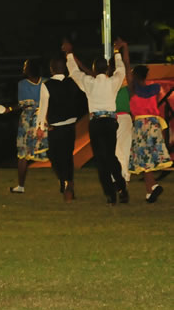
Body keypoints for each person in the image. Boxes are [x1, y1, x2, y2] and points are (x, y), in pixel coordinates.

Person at [64, 39, 128, 205]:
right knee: (111, 156)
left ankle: (110, 194)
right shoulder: (113, 82)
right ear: (107, 69)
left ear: (93, 70)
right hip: (110, 122)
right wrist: (116, 53)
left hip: (96, 123)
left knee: (101, 159)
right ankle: (122, 188)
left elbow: (74, 72)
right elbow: (121, 70)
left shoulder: (89, 83)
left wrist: (69, 54)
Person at [35, 57, 88, 202]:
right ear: (64, 68)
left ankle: (65, 181)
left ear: (51, 69)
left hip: (55, 127)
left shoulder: (47, 85)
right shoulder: (72, 82)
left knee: (54, 156)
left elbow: (43, 107)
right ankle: (67, 182)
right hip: (71, 126)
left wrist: (39, 127)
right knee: (67, 156)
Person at [127, 63, 172, 202]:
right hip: (154, 124)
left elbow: (127, 66)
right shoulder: (154, 89)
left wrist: (124, 49)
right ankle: (150, 191)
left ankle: (154, 186)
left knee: (143, 159)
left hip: (141, 125)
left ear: (134, 76)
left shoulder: (133, 90)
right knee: (148, 158)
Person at [10, 59, 48, 193]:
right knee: (51, 151)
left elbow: (23, 103)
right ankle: (64, 183)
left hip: (27, 121)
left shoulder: (22, 84)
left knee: (22, 154)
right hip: (44, 118)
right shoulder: (46, 82)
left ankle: (21, 186)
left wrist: (9, 109)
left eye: (25, 66)